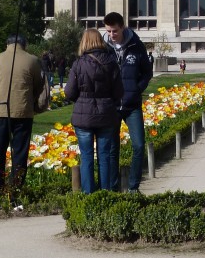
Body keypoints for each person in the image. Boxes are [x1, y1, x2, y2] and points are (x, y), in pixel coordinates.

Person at [0, 35, 45, 205]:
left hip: (0, 111)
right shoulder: (32, 60)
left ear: (7, 44)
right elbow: (38, 85)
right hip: (22, 111)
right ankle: (14, 193)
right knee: (19, 154)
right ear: (24, 45)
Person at [64, 28, 123, 193]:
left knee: (87, 157)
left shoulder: (79, 63)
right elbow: (119, 92)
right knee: (104, 157)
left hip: (84, 115)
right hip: (106, 113)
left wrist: (82, 98)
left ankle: (88, 194)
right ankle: (105, 193)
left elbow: (69, 92)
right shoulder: (111, 62)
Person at [102, 11, 153, 193]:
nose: (111, 35)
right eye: (108, 31)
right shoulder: (104, 48)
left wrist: (137, 88)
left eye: (114, 31)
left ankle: (133, 187)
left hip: (132, 105)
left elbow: (147, 72)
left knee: (139, 145)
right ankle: (114, 188)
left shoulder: (136, 46)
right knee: (112, 148)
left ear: (122, 27)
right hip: (113, 105)